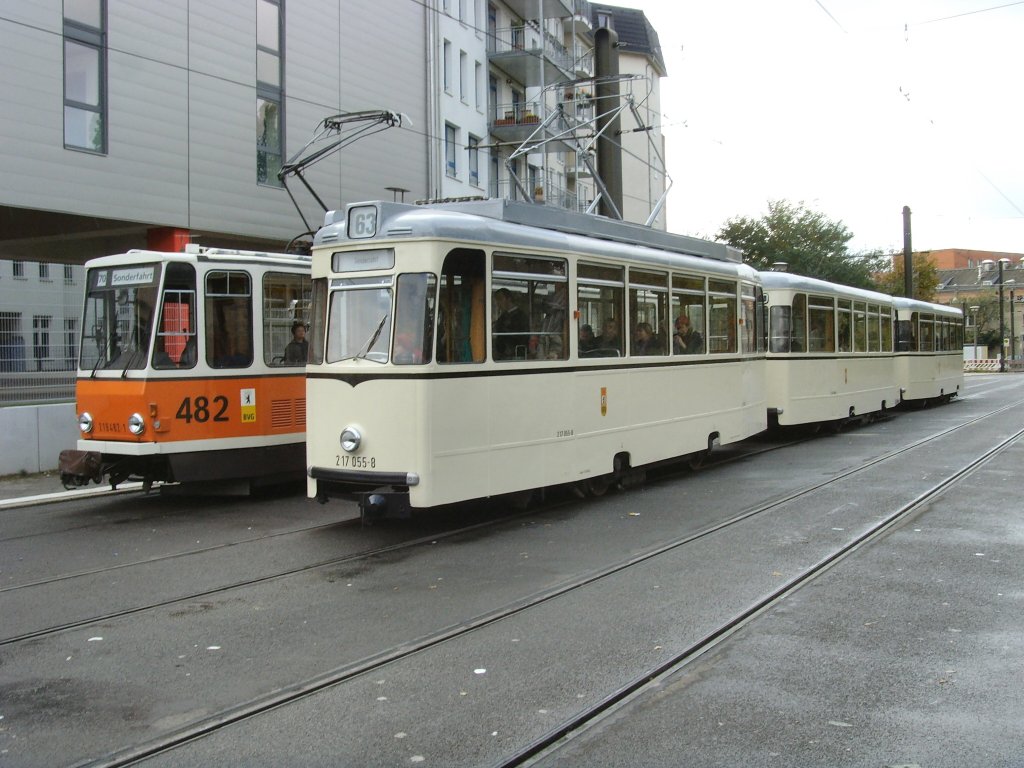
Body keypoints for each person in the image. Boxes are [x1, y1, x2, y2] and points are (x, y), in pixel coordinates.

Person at [492, 288, 529, 359]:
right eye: (497, 300)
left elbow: (523, 337)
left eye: (500, 299)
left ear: (509, 299)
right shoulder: (502, 317)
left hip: (515, 355)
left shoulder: (521, 316)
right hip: (502, 355)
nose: (498, 303)